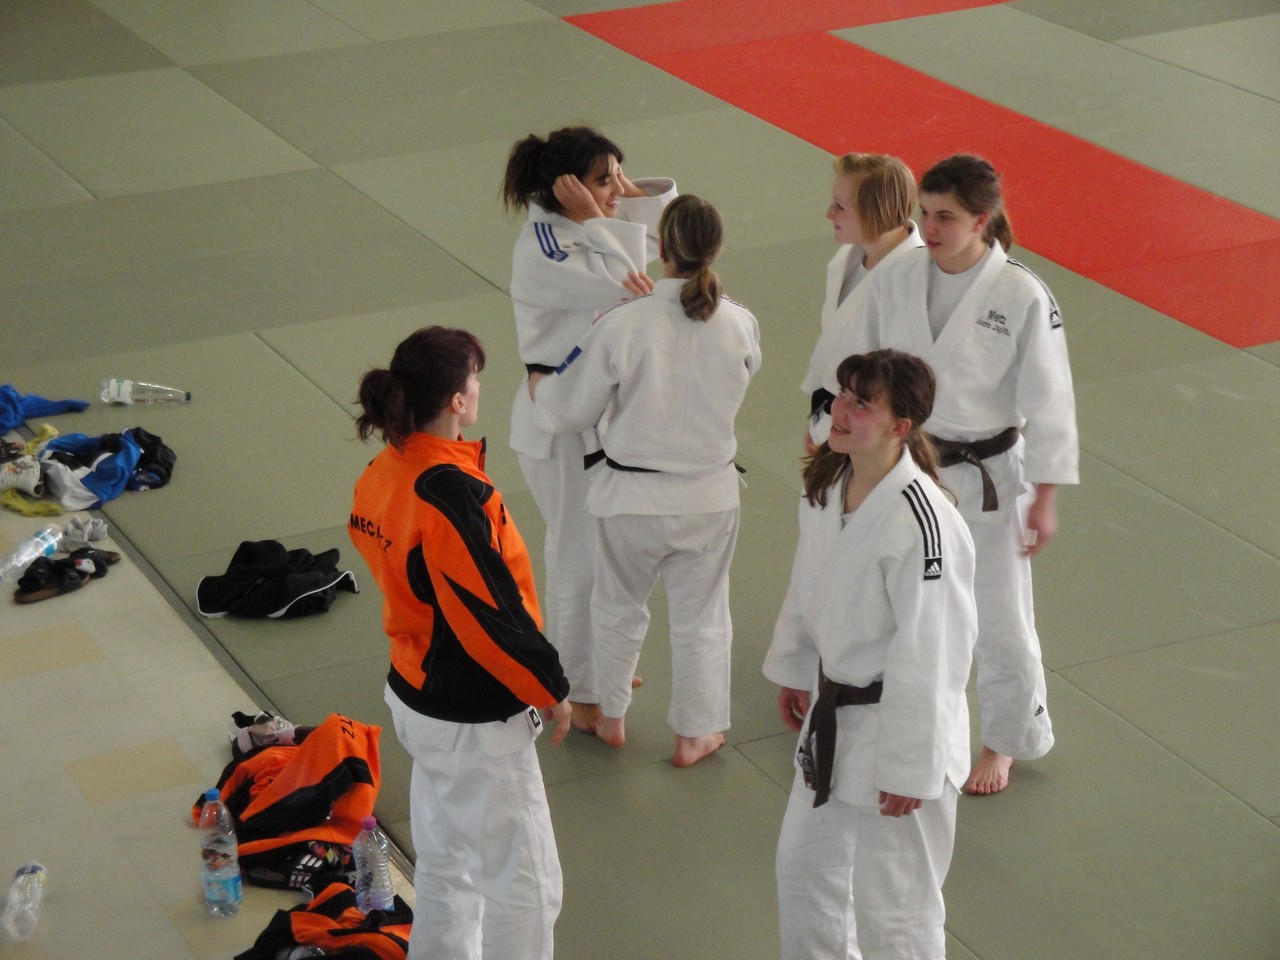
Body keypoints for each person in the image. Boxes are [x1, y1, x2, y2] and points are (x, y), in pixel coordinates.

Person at [851, 154, 1080, 795]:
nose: (929, 228)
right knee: (899, 601)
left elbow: (1051, 400)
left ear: (982, 220)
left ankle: (1006, 739)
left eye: (945, 217)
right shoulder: (900, 277)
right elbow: (866, 363)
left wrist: (1046, 498)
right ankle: (893, 721)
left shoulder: (1020, 293)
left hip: (988, 477)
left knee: (999, 616)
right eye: (924, 213)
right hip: (905, 464)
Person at [348, 326, 571, 960]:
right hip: (473, 717)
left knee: (448, 870)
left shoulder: (386, 471)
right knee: (526, 887)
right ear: (456, 400)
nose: (478, 387)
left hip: (416, 694)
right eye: (475, 377)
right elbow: (489, 615)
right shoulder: (447, 492)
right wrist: (550, 688)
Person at [529, 195, 761, 767]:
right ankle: (695, 734)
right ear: (716, 249)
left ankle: (611, 716)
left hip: (630, 498)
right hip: (708, 498)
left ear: (662, 248)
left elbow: (568, 410)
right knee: (702, 617)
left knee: (616, 606)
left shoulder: (623, 321)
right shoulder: (740, 322)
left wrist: (541, 386)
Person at [764, 350, 977, 960]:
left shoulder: (924, 522)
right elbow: (808, 583)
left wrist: (910, 767)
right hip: (834, 716)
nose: (841, 409)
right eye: (843, 394)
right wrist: (796, 665)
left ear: (899, 426)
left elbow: (935, 653)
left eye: (862, 403)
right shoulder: (830, 480)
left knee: (896, 915)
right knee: (805, 878)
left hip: (898, 730)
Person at [503, 126, 677, 734]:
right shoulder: (544, 246)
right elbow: (633, 283)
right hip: (558, 422)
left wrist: (618, 188)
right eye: (604, 180)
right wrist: (600, 216)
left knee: (606, 550)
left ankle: (599, 666)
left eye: (618, 176)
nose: (618, 192)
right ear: (566, 188)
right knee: (576, 554)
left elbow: (657, 237)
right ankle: (575, 689)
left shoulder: (586, 227)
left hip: (596, 415)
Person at [803, 153, 923, 451]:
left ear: (874, 212)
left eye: (840, 206)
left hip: (873, 437)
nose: (829, 214)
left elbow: (908, 389)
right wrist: (820, 422)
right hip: (835, 415)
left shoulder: (914, 284)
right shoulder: (850, 257)